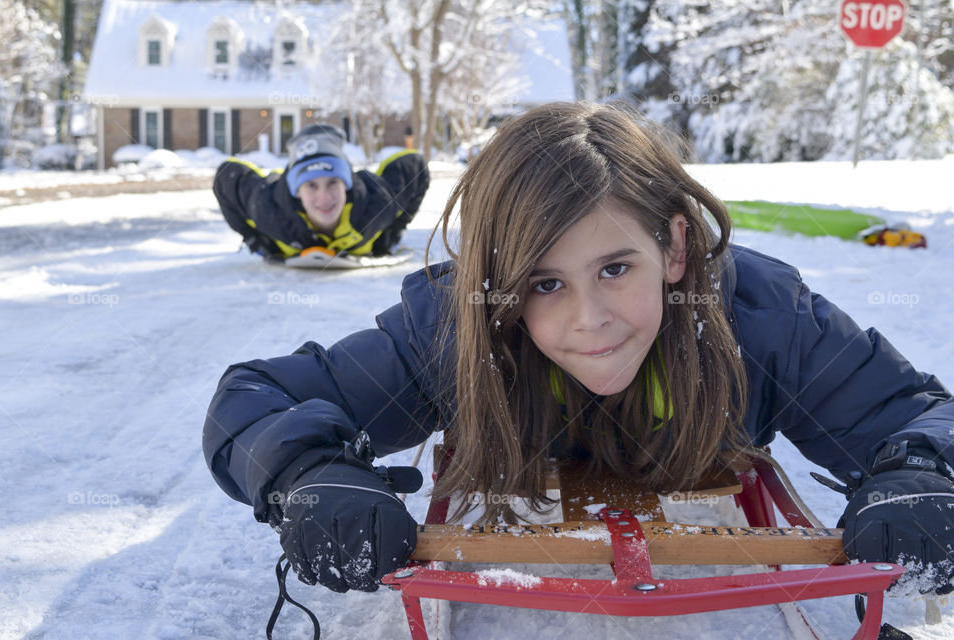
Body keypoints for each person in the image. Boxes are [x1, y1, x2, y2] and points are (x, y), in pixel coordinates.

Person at [203, 102, 954, 599]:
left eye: (616, 269)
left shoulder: (758, 317)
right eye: (544, 283)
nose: (589, 319)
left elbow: (915, 416)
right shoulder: (458, 324)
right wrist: (309, 471)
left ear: (677, 246)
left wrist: (922, 475)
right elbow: (252, 399)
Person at [213, 123, 429, 261]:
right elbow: (226, 176)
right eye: (311, 185)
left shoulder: (377, 205)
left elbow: (415, 165)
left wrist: (392, 232)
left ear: (346, 184)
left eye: (333, 182)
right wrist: (255, 240)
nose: (324, 197)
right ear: (297, 191)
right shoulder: (269, 211)